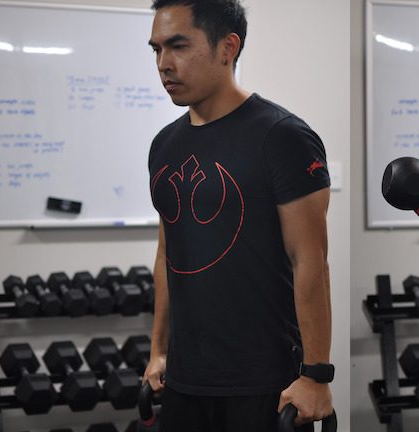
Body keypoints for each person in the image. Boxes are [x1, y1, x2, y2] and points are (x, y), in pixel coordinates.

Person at [143, 1, 334, 430]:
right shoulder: (164, 145)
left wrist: (316, 373)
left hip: (264, 380)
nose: (163, 64)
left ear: (228, 47)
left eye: (177, 46)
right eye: (155, 50)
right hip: (186, 378)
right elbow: (167, 252)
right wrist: (158, 350)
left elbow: (312, 262)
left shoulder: (282, 136)